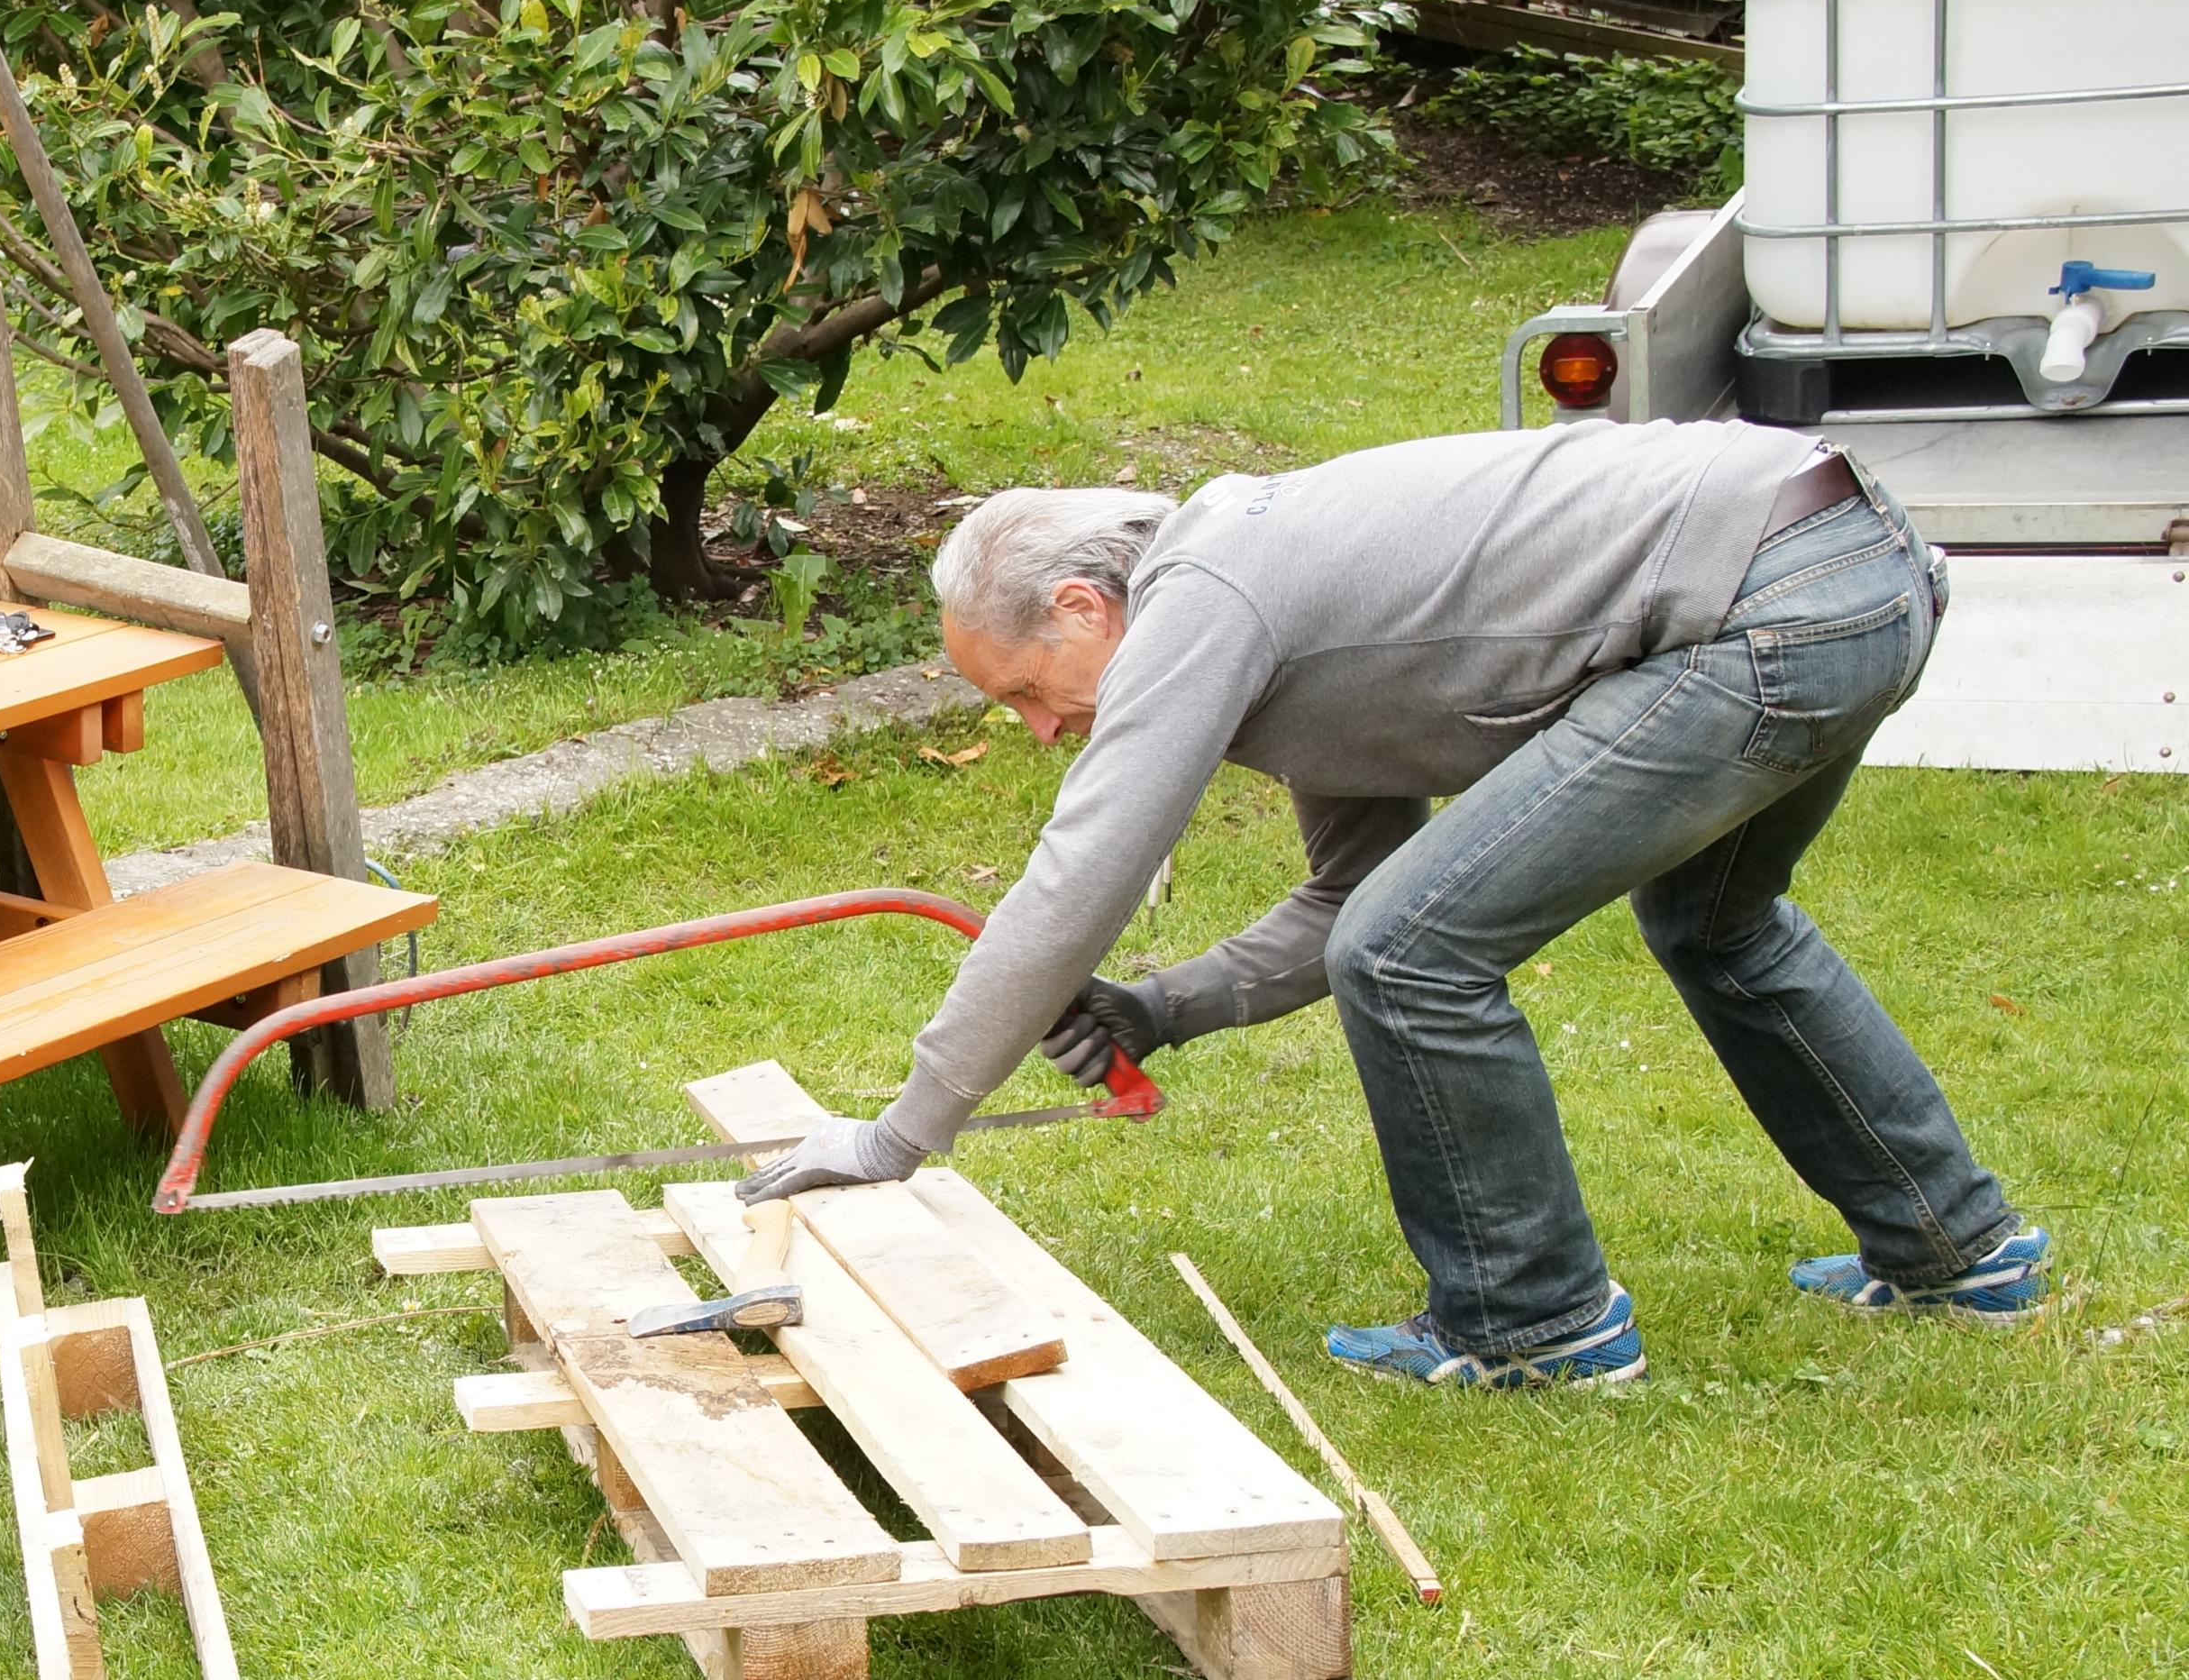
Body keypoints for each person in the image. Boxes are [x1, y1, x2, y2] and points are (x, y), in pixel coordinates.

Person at [739, 421, 2043, 1388]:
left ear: (1083, 605)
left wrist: (901, 1134)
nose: (1038, 730)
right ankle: (1956, 1247)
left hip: (1767, 605)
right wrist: (1159, 1009)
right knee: (1710, 924)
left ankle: (1535, 1323)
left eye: (1028, 688)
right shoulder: (1265, 607)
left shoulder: (1204, 598)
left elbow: (1080, 877)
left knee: (1414, 956)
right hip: (1851, 574)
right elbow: (1349, 894)